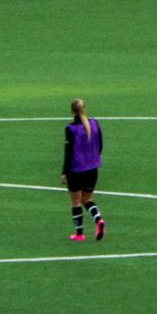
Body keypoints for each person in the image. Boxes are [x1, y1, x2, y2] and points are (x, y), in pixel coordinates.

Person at [62, 98, 106, 243]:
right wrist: (94, 158)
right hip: (92, 168)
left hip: (76, 169)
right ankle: (98, 219)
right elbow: (100, 144)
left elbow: (68, 153)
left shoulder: (71, 129)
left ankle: (79, 234)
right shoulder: (94, 123)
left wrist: (64, 172)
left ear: (72, 111)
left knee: (76, 202)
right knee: (87, 199)